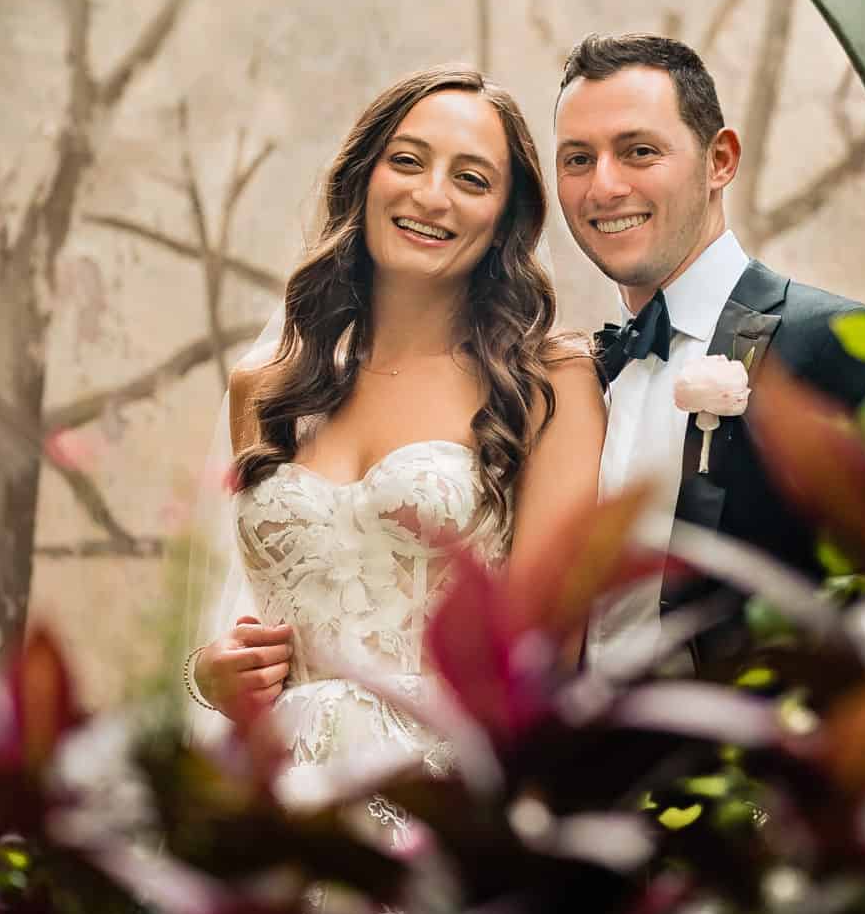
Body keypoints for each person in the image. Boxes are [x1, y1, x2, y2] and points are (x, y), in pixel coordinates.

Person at [183, 65, 605, 799]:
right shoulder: (267, 385)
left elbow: (547, 654)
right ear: (364, 177)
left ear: (505, 218)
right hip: (276, 793)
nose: (430, 195)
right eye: (407, 161)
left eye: (472, 179)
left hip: (441, 797)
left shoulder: (549, 382)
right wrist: (211, 673)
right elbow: (257, 612)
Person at [550, 33, 865, 679]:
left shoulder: (839, 347)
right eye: (578, 159)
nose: (603, 186)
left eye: (638, 151)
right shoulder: (579, 381)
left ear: (720, 160)